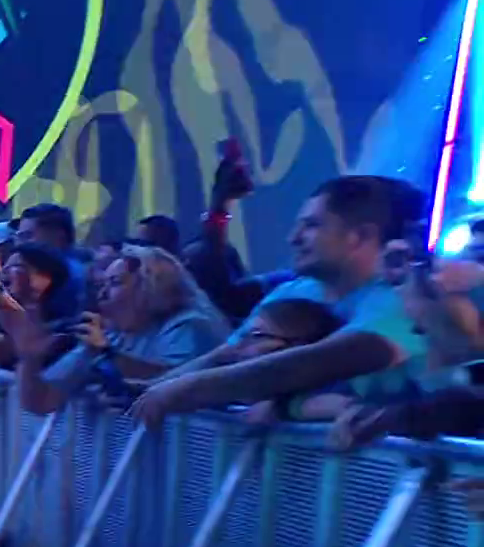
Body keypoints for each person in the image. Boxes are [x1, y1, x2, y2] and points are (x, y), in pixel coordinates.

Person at [129, 177, 431, 426]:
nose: (293, 238)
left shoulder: (400, 301)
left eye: (312, 225)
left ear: (360, 236)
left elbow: (316, 362)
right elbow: (228, 354)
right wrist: (149, 390)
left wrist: (186, 390)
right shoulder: (295, 290)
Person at [0, 245, 226, 413]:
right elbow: (41, 401)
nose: (102, 294)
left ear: (151, 285)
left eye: (115, 283)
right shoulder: (109, 337)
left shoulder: (190, 325)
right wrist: (29, 359)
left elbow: (174, 382)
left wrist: (108, 356)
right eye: (101, 285)